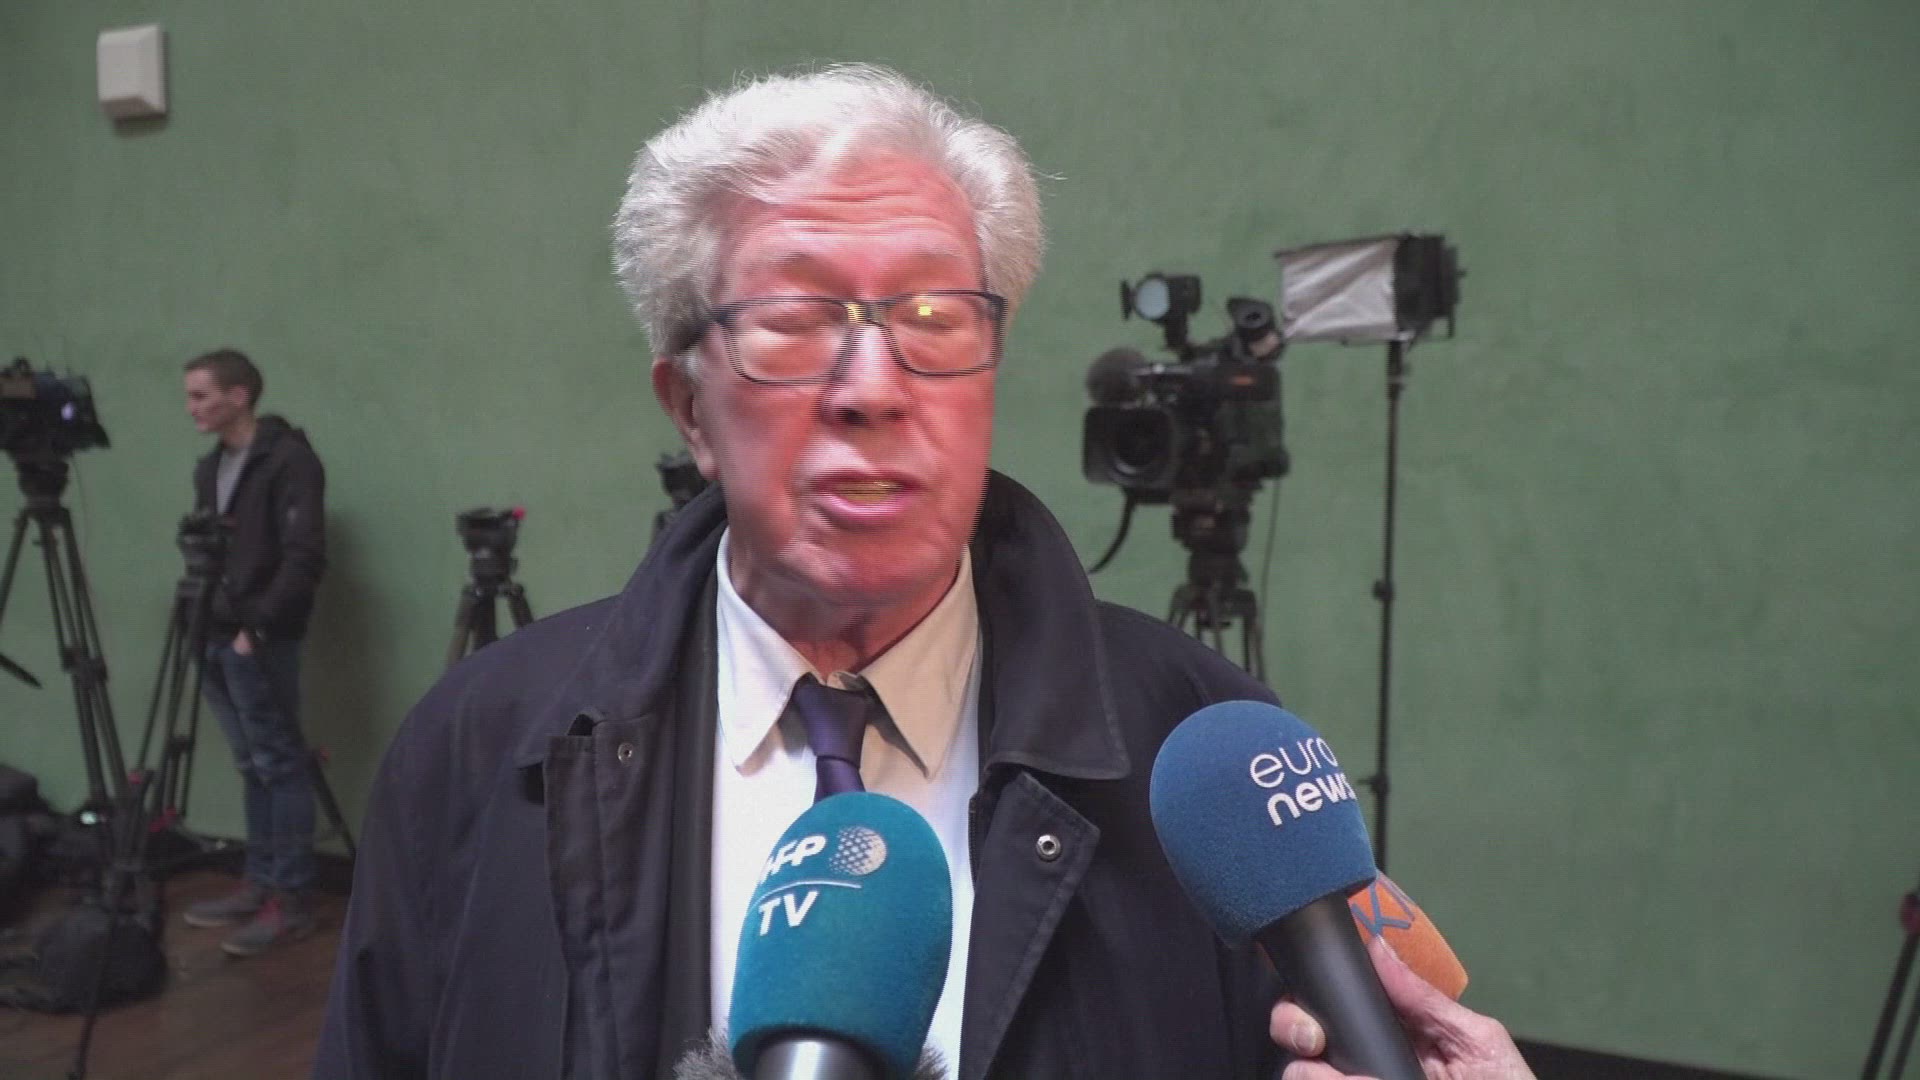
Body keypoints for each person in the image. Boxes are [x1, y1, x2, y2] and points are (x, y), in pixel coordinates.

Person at [315, 64, 1531, 1079]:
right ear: (689, 407)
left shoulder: (1202, 758)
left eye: (937, 319)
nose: (874, 388)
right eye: (794, 320)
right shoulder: (477, 747)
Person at [178, 347, 328, 958]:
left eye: (200, 396)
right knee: (251, 762)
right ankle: (260, 881)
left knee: (279, 762)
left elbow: (304, 556)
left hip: (257, 637)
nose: (191, 408)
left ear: (238, 396)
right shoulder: (210, 467)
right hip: (212, 631)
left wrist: (257, 628)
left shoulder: (289, 461)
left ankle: (290, 899)